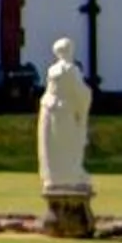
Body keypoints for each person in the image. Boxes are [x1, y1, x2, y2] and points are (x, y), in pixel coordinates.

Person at [37, 38, 91, 191]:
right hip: (64, 111)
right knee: (67, 144)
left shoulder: (52, 70)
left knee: (54, 145)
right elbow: (80, 92)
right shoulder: (71, 69)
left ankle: (54, 176)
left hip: (49, 109)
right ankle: (68, 175)